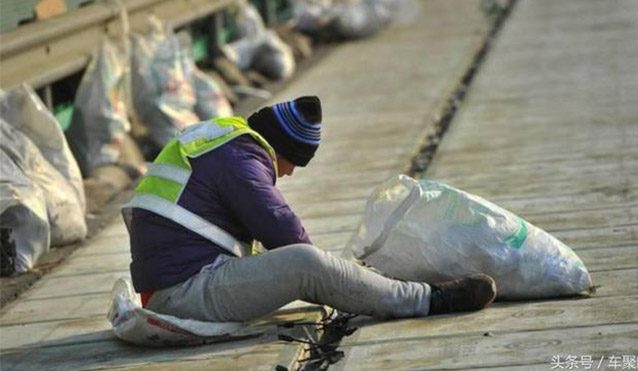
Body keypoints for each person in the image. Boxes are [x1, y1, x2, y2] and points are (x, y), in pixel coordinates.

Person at [123, 96, 496, 322]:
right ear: (283, 149)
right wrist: (339, 274)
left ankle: (387, 287)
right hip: (185, 295)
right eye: (293, 164)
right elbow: (282, 231)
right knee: (308, 264)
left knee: (314, 264)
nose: (285, 174)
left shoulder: (222, 138)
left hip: (173, 286)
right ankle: (427, 300)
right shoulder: (242, 161)